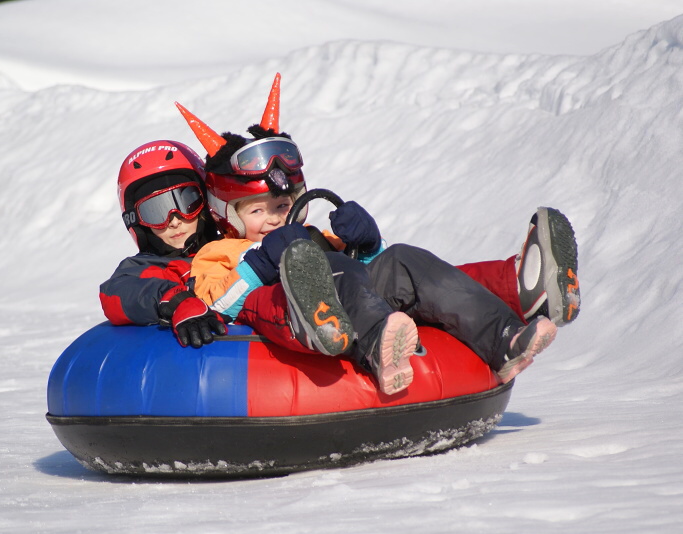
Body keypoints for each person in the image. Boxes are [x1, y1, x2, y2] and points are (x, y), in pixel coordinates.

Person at [172, 73, 577, 391]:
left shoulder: (308, 234)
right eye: (259, 210)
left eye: (282, 205)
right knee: (329, 269)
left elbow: (367, 274)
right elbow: (219, 303)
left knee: (402, 257)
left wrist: (367, 244)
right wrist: (260, 262)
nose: (276, 218)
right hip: (290, 322)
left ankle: (504, 337)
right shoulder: (218, 252)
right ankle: (382, 345)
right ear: (227, 214)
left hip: (351, 302)